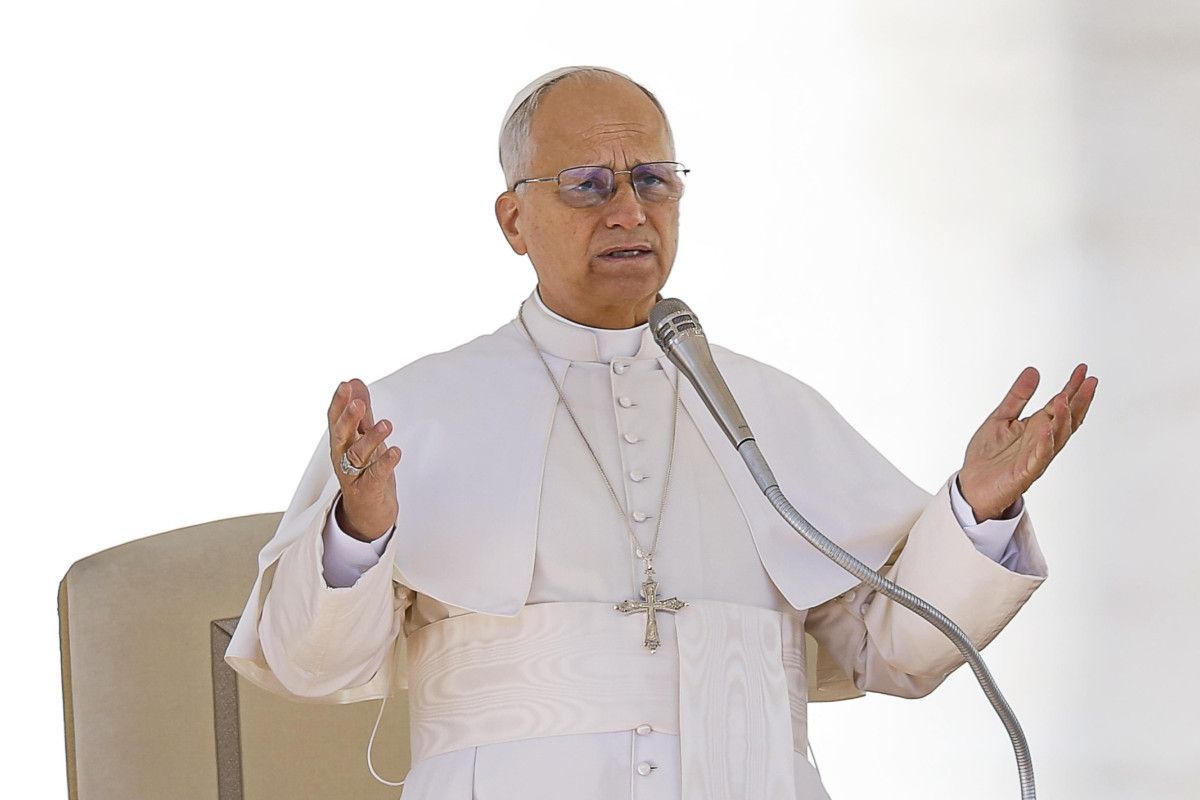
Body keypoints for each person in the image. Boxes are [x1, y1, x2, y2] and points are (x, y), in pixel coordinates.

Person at [224, 65, 1098, 799]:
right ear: (513, 220)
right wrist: (360, 531)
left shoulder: (767, 410)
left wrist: (976, 511)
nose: (629, 211)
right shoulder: (413, 414)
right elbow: (308, 666)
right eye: (589, 184)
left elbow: (893, 651)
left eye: (653, 180)